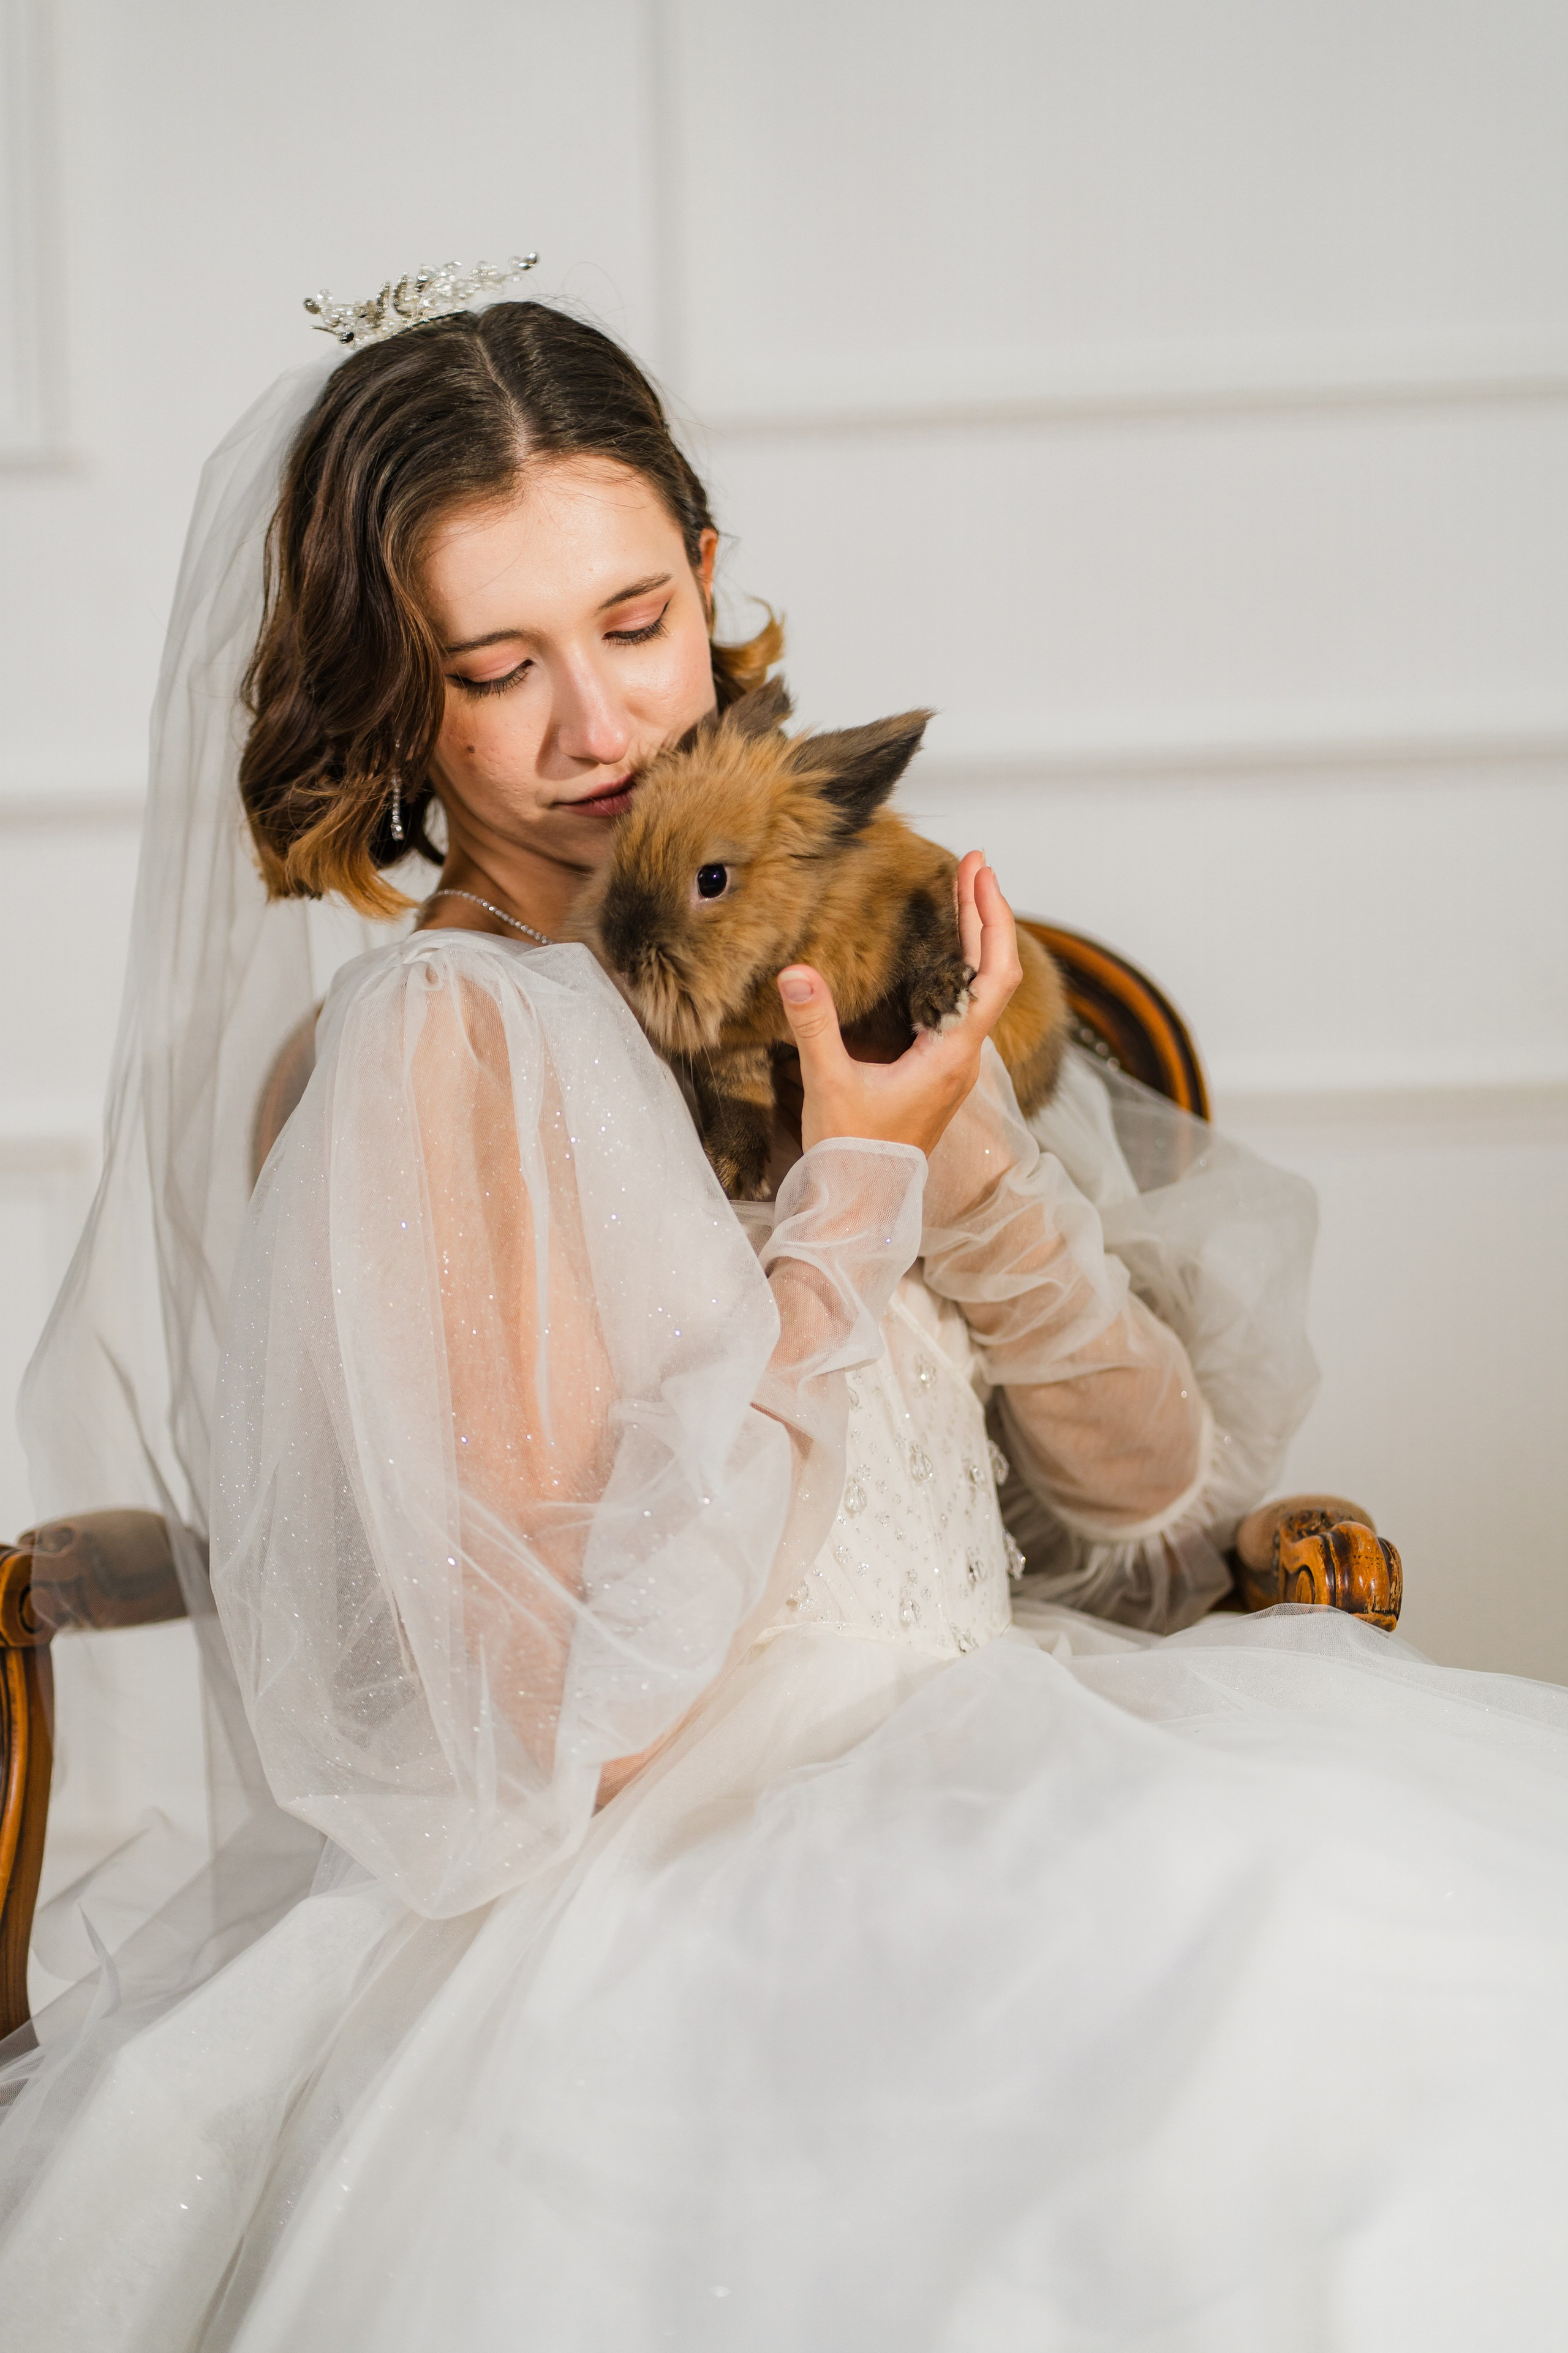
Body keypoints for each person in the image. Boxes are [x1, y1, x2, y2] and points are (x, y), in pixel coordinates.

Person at [1, 293, 1565, 2353]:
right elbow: (560, 1718)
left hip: (1018, 1739)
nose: (600, 732)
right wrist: (847, 1201)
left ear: (712, 582)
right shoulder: (431, 1050)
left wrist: (966, 1160)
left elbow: (1160, 1481)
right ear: (403, 698)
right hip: (662, 1877)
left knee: (1391, 2015)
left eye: (637, 622)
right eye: (497, 668)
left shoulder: (833, 926)